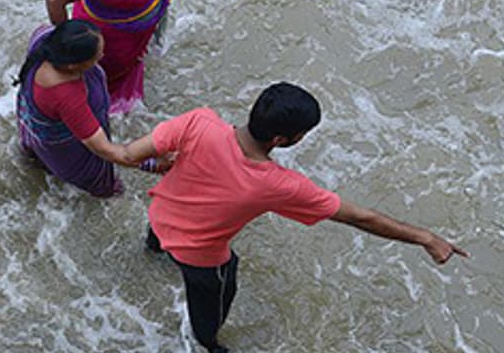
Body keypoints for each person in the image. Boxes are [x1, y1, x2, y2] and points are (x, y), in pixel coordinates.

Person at [114, 82, 469, 352]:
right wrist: (426, 237)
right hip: (201, 258)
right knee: (215, 303)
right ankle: (208, 345)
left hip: (160, 215)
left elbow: (131, 154)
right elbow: (360, 218)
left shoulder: (199, 122)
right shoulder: (277, 185)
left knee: (159, 240)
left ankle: (153, 253)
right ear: (283, 139)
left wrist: (152, 164)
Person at [14, 20, 163, 197]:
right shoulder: (68, 97)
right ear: (73, 65)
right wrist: (153, 164)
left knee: (36, 160)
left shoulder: (46, 38)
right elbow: (106, 150)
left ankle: (35, 163)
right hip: (66, 148)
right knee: (107, 189)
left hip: (35, 126)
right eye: (96, 56)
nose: (102, 56)